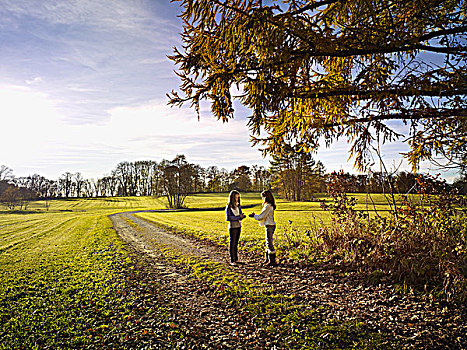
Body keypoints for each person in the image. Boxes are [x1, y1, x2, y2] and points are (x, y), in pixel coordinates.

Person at [249, 190, 277, 266]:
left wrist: (254, 216)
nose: (262, 199)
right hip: (270, 225)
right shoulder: (269, 205)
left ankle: (272, 261)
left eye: (262, 197)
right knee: (268, 242)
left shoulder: (268, 206)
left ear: (265, 197)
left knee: (269, 243)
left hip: (269, 226)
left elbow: (261, 216)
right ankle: (267, 259)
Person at [225, 190, 246, 265]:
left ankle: (236, 259)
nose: (237, 199)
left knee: (236, 243)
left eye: (238, 197)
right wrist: (238, 217)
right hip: (233, 227)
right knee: (232, 243)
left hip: (238, 226)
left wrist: (242, 216)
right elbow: (229, 218)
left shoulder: (238, 205)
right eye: (236, 197)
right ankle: (232, 260)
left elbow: (239, 215)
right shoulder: (229, 206)